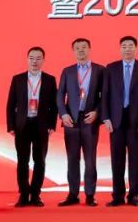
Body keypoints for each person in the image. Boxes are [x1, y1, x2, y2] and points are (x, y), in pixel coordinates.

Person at [101, 35, 138, 207]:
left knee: (135, 159)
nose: (127, 49)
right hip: (116, 120)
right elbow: (105, 94)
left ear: (135, 48)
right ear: (120, 48)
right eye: (124, 46)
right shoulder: (111, 68)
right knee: (117, 159)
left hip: (135, 120)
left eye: (130, 45)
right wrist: (106, 117)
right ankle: (117, 195)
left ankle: (134, 195)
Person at [6, 46, 58, 207]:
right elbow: (11, 104)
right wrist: (11, 125)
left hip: (41, 125)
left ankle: (35, 195)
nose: (35, 61)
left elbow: (54, 105)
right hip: (22, 124)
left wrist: (52, 124)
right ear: (27, 59)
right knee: (22, 161)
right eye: (31, 58)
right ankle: (23, 195)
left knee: (39, 161)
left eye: (38, 58)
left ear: (43, 60)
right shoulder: (18, 79)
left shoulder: (49, 80)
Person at [56, 37, 105, 207]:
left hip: (90, 119)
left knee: (90, 159)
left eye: (84, 47)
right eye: (78, 48)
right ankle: (73, 194)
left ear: (89, 49)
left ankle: (90, 194)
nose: (81, 50)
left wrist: (97, 112)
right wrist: (63, 114)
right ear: (74, 51)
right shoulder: (68, 71)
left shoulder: (100, 70)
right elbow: (60, 96)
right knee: (72, 159)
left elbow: (105, 96)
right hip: (71, 120)